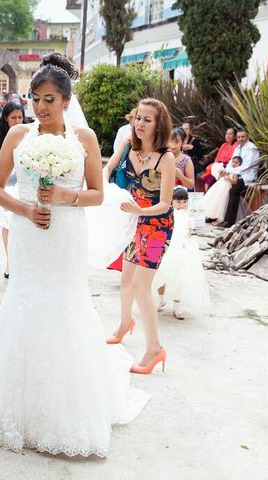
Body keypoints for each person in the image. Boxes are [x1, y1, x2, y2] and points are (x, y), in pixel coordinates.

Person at [0, 53, 149, 457]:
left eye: (49, 99)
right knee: (25, 301)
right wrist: (25, 209)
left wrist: (66, 196)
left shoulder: (85, 139)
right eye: (35, 98)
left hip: (66, 233)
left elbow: (98, 194)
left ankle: (66, 405)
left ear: (66, 101)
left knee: (65, 302)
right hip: (30, 231)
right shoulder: (16, 136)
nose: (41, 107)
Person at [103, 98, 176, 374]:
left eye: (148, 119)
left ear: (159, 125)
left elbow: (166, 203)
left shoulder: (165, 158)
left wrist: (138, 209)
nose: (140, 124)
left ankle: (155, 349)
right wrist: (103, 184)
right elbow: (107, 170)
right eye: (138, 118)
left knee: (141, 286)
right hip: (134, 221)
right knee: (125, 279)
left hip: (157, 226)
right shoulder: (128, 147)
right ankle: (124, 324)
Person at [153, 187, 211, 319]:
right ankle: (161, 300)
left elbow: (189, 233)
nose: (182, 205)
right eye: (178, 202)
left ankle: (177, 307)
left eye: (184, 202)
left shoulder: (189, 217)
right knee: (162, 274)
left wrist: (187, 242)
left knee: (180, 278)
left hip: (182, 248)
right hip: (168, 247)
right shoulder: (167, 214)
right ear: (172, 201)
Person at [156, 127, 194, 308]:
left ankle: (176, 300)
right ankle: (160, 296)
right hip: (163, 204)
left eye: (176, 142)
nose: (172, 145)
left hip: (179, 204)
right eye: (170, 141)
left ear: (183, 143)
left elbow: (191, 183)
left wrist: (178, 174)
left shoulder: (185, 160)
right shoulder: (162, 156)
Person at [0, 101, 26, 278]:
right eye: (13, 118)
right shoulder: (1, 139)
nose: (17, 121)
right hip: (8, 183)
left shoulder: (29, 134)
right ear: (6, 119)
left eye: (20, 117)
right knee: (7, 223)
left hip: (25, 183)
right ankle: (9, 262)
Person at [216, 128, 259, 227]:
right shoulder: (238, 148)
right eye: (239, 137)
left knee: (233, 190)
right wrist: (226, 170)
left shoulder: (252, 148)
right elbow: (231, 162)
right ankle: (220, 217)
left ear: (247, 137)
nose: (240, 139)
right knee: (221, 185)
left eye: (243, 137)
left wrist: (229, 170)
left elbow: (246, 167)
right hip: (236, 174)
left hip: (247, 176)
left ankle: (229, 222)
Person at [205, 156, 242, 223]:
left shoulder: (236, 172)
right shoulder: (228, 169)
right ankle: (211, 216)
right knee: (215, 199)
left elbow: (235, 181)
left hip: (226, 187)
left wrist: (229, 179)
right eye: (233, 162)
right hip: (219, 185)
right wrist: (221, 174)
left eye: (236, 163)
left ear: (240, 164)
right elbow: (221, 176)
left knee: (222, 202)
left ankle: (219, 218)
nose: (234, 164)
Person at [201, 127, 237, 191]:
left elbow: (233, 160)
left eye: (230, 134)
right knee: (209, 175)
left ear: (234, 137)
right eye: (227, 134)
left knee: (212, 178)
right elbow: (217, 158)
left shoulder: (236, 145)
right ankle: (207, 194)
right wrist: (215, 166)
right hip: (218, 165)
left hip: (227, 166)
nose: (228, 136)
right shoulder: (224, 145)